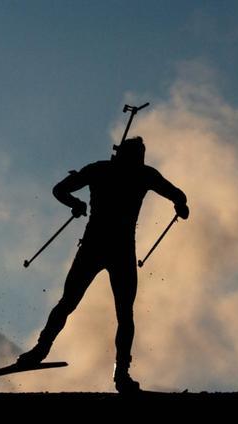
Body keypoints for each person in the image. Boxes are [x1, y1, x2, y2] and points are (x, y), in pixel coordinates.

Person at [17, 136, 189, 393]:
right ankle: (120, 374)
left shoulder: (102, 170)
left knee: (73, 303)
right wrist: (181, 205)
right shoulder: (141, 174)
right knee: (120, 312)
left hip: (95, 246)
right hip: (118, 250)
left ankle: (41, 351)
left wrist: (76, 203)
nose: (137, 161)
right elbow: (178, 194)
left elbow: (59, 189)